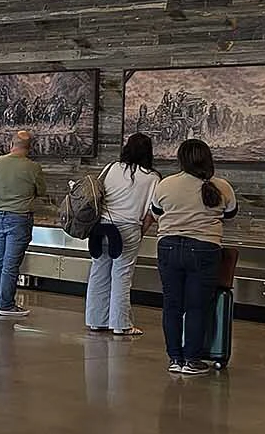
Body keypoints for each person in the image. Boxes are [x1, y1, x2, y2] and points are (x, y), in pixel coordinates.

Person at [149, 139, 238, 377]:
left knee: (172, 305)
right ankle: (192, 359)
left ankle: (174, 358)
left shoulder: (166, 184)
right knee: (198, 307)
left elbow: (156, 213)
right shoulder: (221, 186)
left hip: (167, 247)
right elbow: (230, 214)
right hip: (205, 249)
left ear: (181, 159)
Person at [85, 133, 159, 336]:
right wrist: (140, 233)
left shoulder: (111, 168)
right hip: (128, 228)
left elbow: (96, 194)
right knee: (122, 277)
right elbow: (152, 212)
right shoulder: (152, 177)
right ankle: (120, 324)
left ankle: (96, 320)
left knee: (98, 273)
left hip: (101, 228)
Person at [0, 129, 46, 319]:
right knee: (11, 264)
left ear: (11, 145)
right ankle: (6, 305)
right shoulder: (33, 167)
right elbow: (41, 191)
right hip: (19, 218)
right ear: (30, 148)